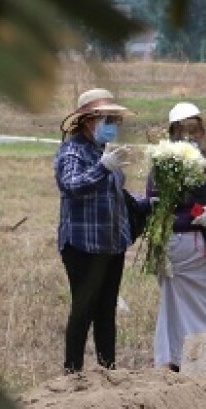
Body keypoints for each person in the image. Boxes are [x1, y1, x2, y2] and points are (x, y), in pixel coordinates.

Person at [55, 88, 146, 373]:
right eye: (106, 119)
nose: (112, 126)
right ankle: (73, 373)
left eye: (114, 120)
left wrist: (146, 205)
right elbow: (70, 185)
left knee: (106, 310)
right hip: (82, 244)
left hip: (111, 243)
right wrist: (103, 168)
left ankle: (108, 370)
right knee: (84, 308)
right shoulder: (72, 151)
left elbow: (115, 194)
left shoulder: (106, 152)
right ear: (87, 121)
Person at [149, 102, 206, 371]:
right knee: (172, 309)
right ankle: (172, 362)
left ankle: (204, 363)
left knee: (205, 309)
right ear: (173, 134)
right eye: (182, 130)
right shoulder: (162, 167)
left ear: (202, 132)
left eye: (195, 130)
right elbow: (153, 204)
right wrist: (179, 220)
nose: (190, 136)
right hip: (175, 249)